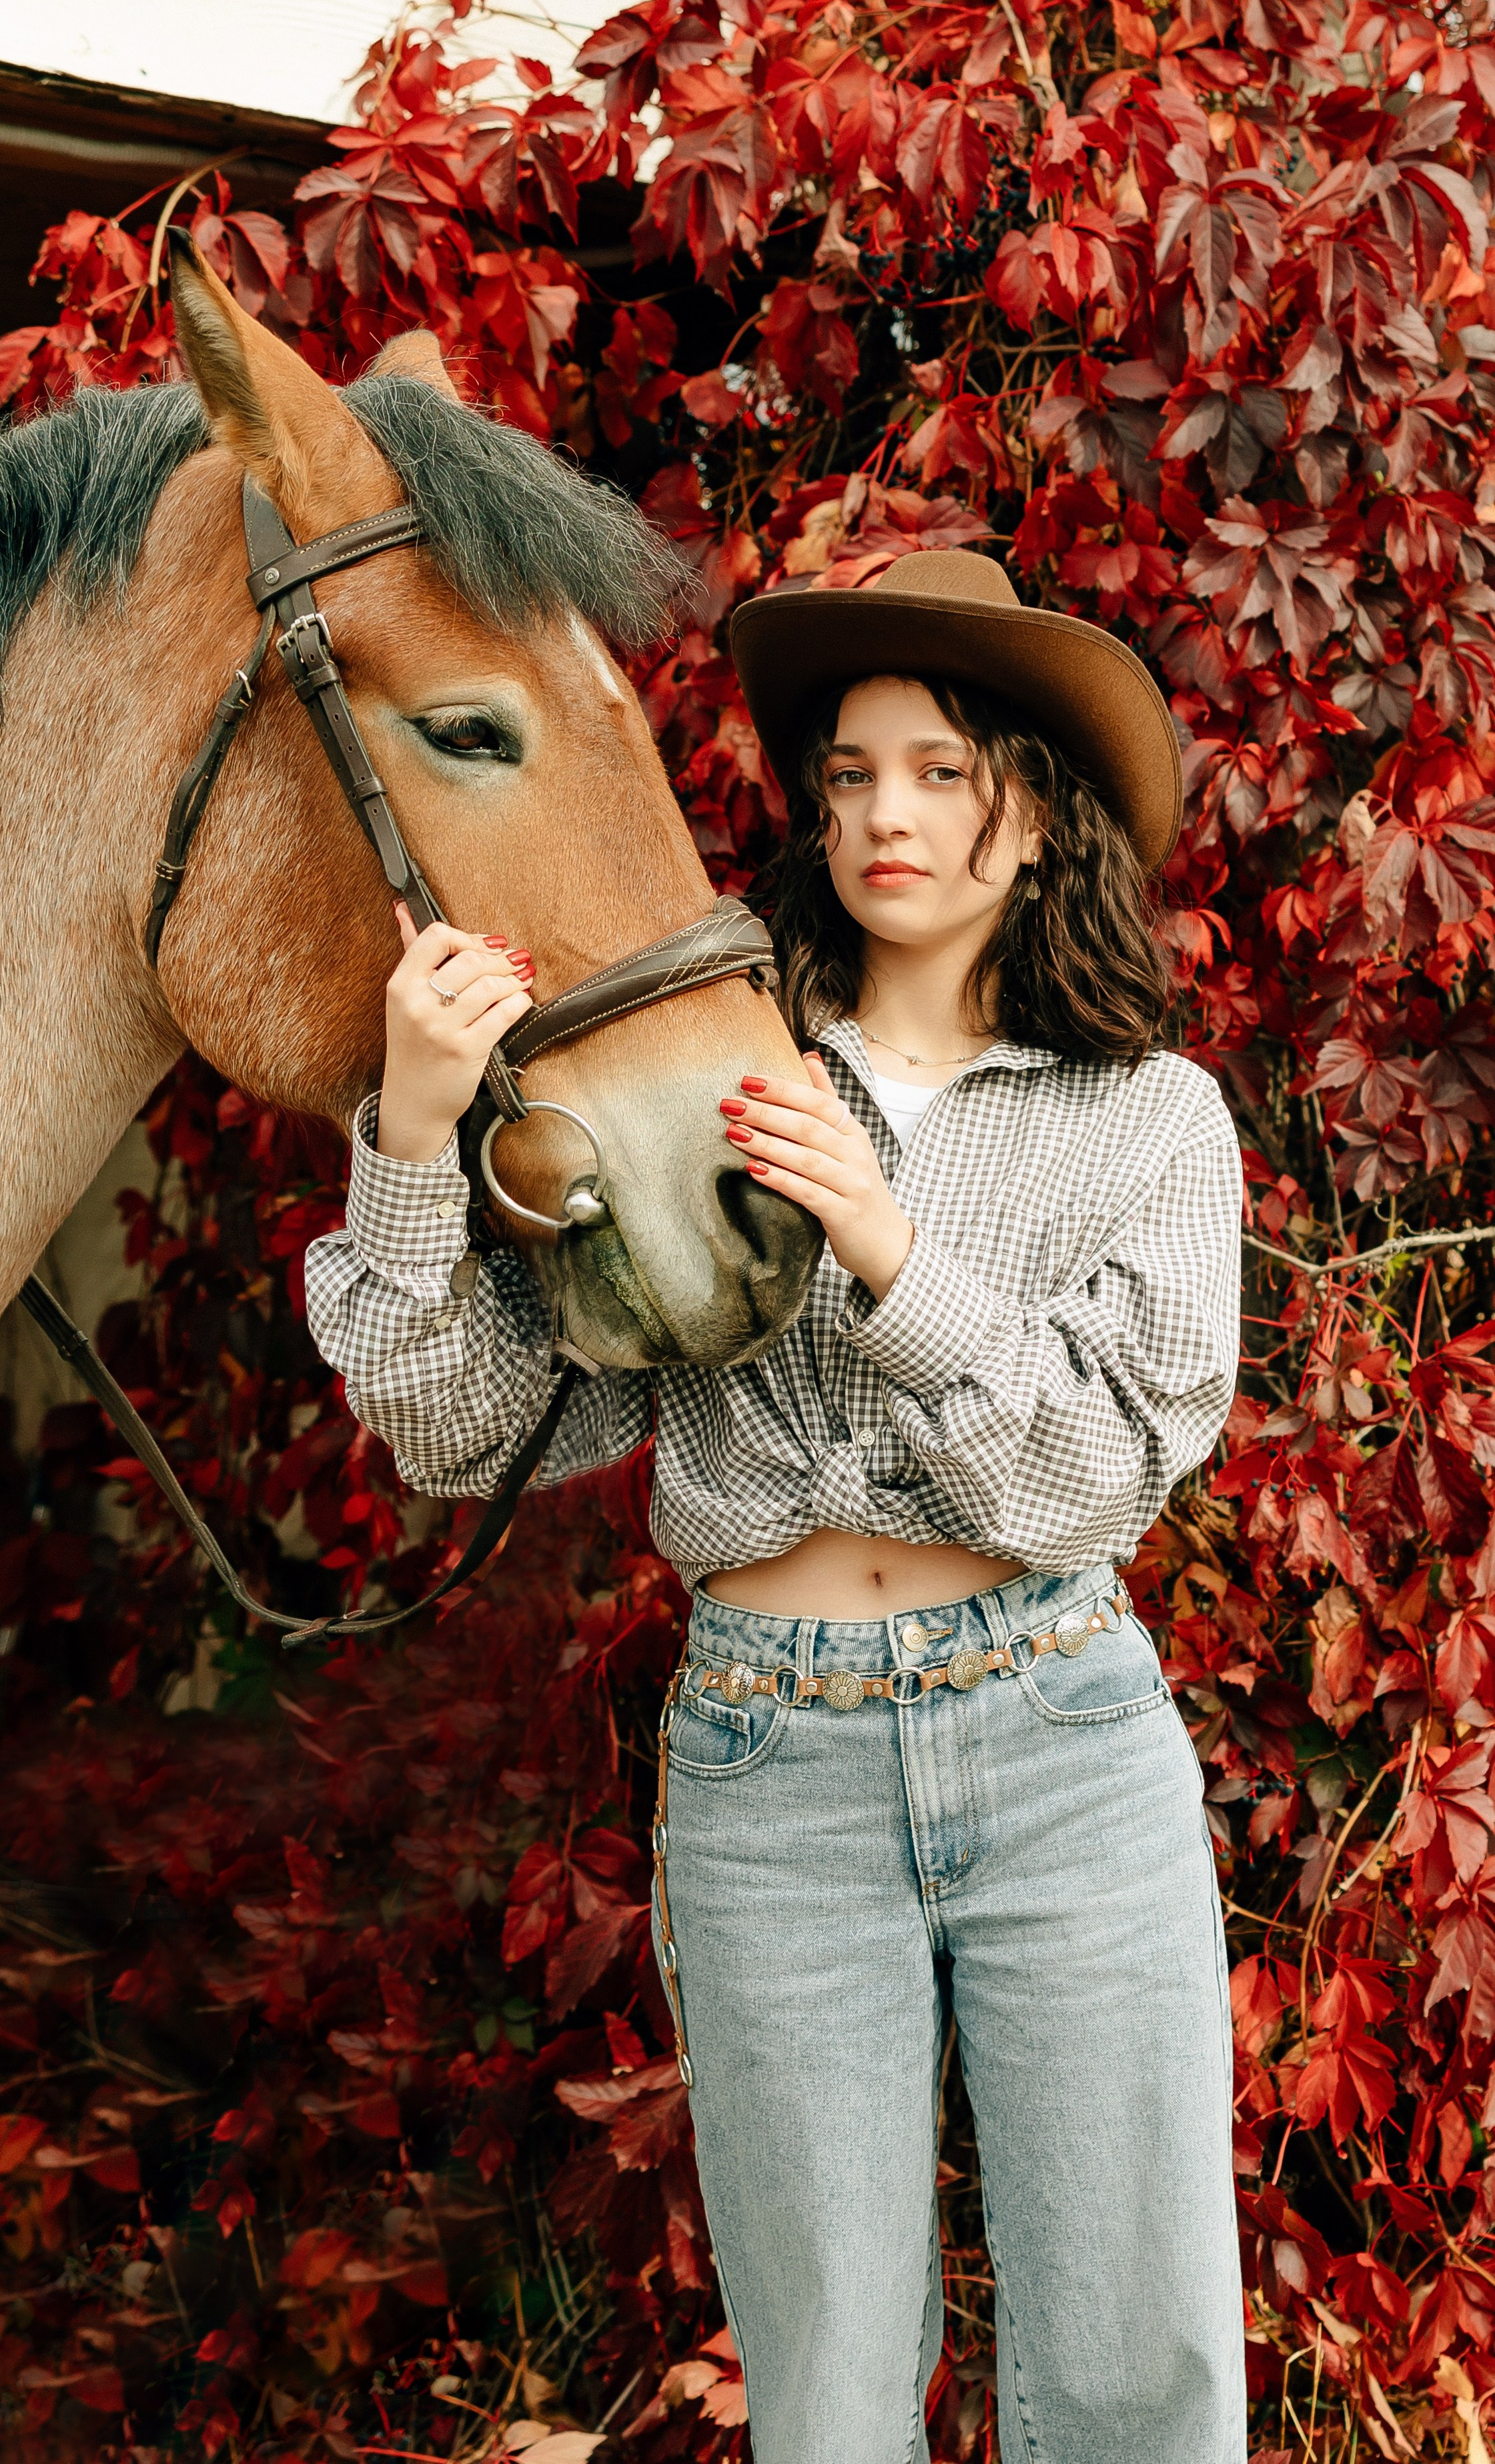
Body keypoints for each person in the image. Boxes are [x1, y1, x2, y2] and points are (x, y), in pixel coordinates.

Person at [304, 549, 1245, 2464]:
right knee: (820, 2392)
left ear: (1034, 817)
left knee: (1137, 2371)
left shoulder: (1149, 1119)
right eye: (849, 775)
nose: (885, 812)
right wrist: (408, 1132)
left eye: (938, 770)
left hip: (1064, 1740)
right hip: (773, 1768)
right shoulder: (697, 1083)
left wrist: (888, 1247)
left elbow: (1092, 1476)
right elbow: (467, 1426)